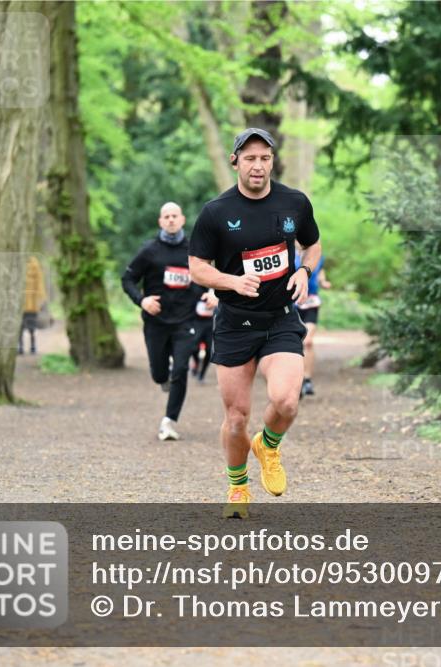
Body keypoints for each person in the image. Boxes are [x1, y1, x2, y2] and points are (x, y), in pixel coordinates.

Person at [188, 127, 322, 519]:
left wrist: (304, 271)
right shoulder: (216, 212)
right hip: (234, 323)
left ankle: (268, 444)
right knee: (235, 419)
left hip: (280, 319)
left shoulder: (294, 202)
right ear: (235, 162)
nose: (258, 166)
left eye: (264, 158)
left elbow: (311, 243)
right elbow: (197, 268)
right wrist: (231, 281)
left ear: (272, 161)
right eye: (250, 158)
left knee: (285, 401)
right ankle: (237, 487)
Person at [122, 202, 218, 441]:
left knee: (182, 369)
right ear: (160, 222)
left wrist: (213, 293)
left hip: (186, 320)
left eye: (175, 216)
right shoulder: (149, 251)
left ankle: (169, 421)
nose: (171, 220)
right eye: (167, 216)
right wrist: (142, 301)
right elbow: (128, 279)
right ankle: (163, 379)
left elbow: (211, 276)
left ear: (183, 220)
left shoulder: (193, 251)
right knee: (159, 373)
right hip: (156, 321)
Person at [294, 247, 331, 398]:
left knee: (307, 342)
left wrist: (323, 281)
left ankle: (307, 379)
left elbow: (320, 271)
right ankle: (295, 381)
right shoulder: (287, 253)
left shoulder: (317, 254)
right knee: (295, 342)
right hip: (292, 303)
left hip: (311, 302)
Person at [19, 255, 47, 355]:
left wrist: (41, 298)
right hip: (20, 304)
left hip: (32, 304)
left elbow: (40, 283)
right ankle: (20, 346)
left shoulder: (34, 263)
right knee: (20, 326)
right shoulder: (18, 262)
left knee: (31, 326)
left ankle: (32, 346)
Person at [190, 292, 216, 384]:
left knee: (209, 352)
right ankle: (196, 364)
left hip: (211, 324)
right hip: (197, 323)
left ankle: (202, 375)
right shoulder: (197, 287)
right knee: (193, 348)